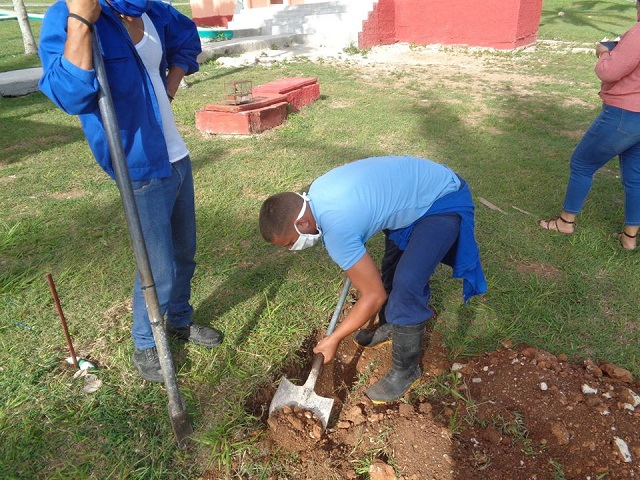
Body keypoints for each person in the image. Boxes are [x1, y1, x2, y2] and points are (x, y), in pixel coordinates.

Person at [38, 0, 222, 382]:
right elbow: (69, 95)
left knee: (184, 253)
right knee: (158, 266)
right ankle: (146, 343)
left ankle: (179, 322)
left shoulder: (152, 10)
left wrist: (168, 89)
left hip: (177, 155)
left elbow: (186, 38)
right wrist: (80, 22)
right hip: (137, 163)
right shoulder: (68, 13)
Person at [259, 156, 487, 404]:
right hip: (416, 194)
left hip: (441, 200)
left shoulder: (338, 231)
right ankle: (390, 326)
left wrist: (334, 338)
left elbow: (374, 295)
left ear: (301, 222)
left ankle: (407, 371)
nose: (294, 249)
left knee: (407, 284)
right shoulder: (319, 190)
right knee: (391, 267)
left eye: (291, 242)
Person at [539, 0, 640, 250]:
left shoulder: (638, 33)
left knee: (582, 163)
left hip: (624, 114)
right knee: (635, 178)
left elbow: (609, 72)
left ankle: (566, 222)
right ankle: (629, 238)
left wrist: (604, 51)